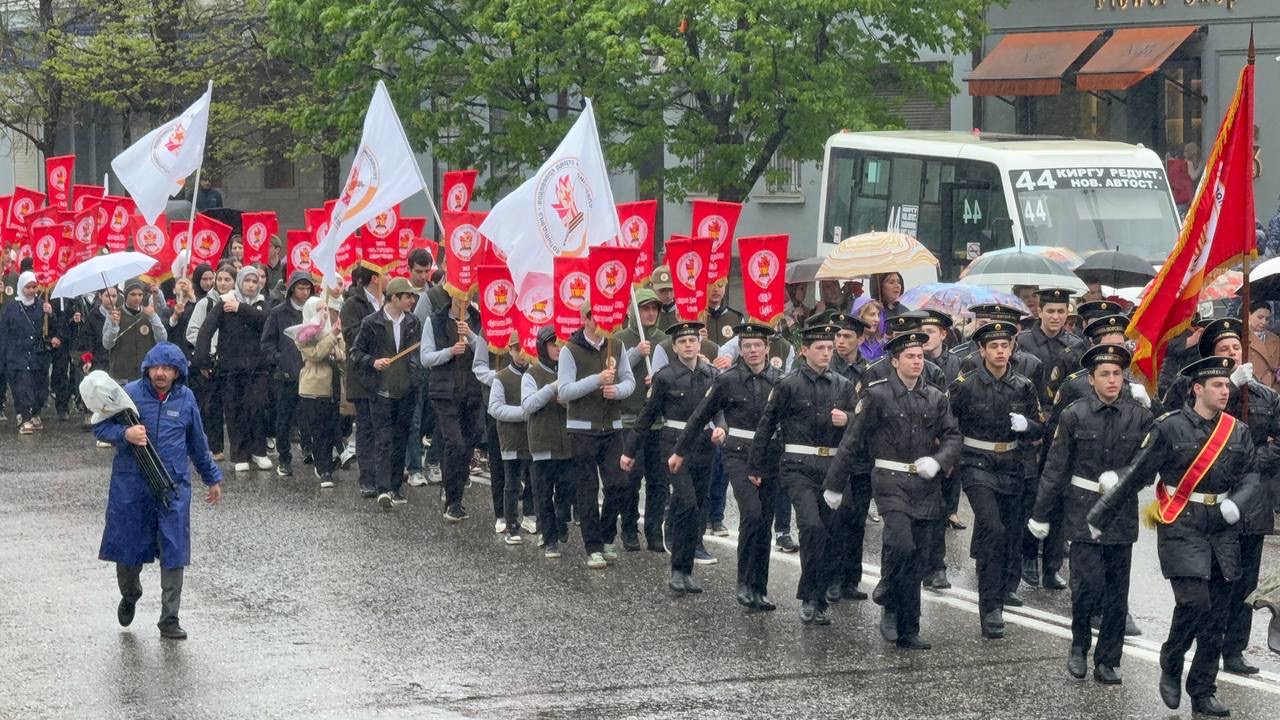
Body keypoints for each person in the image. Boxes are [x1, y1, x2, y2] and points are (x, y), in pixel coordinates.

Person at [1088, 356, 1261, 717]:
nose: (1225, 391)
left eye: (1227, 385)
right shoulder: (1170, 428)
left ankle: (1202, 689)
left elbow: (1251, 477)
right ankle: (1172, 657)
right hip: (1181, 522)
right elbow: (1139, 474)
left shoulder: (1237, 430)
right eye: (1217, 385)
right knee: (1195, 602)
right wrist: (1101, 513)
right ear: (1198, 389)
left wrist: (1238, 504)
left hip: (1222, 526)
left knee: (1217, 617)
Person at [824, 330, 961, 648]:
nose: (917, 361)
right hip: (889, 479)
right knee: (900, 542)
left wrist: (939, 461)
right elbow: (853, 439)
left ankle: (909, 626)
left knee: (918, 556)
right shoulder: (877, 395)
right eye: (910, 357)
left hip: (925, 483)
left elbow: (953, 436)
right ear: (895, 361)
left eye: (920, 356)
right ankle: (887, 597)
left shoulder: (935, 398)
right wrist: (834, 484)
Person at [1161, 317, 1280, 677]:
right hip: (1209, 506)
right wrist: (1230, 386)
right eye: (1224, 350)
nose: (1233, 354)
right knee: (1208, 586)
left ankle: (1235, 650)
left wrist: (1249, 463)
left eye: (1236, 349)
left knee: (1244, 582)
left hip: (1252, 500)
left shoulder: (1265, 395)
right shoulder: (1203, 393)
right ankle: (1200, 646)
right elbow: (1183, 421)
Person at [1029, 344, 1153, 684]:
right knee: (1086, 587)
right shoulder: (1074, 415)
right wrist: (1041, 514)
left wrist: (1123, 476)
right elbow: (1055, 468)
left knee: (1117, 592)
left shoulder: (1139, 415)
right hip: (1082, 510)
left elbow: (1148, 468)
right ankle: (1079, 645)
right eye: (1105, 374)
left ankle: (1108, 660)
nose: (1112, 380)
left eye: (1117, 374)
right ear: (1091, 378)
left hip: (1120, 511)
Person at [94, 342, 223, 640]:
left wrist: (212, 478)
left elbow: (198, 445)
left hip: (173, 486)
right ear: (147, 369)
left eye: (168, 369)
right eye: (156, 368)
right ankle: (130, 593)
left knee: (174, 550)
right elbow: (99, 427)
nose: (161, 374)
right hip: (132, 485)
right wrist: (124, 433)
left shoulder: (187, 398)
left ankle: (169, 618)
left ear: (178, 372)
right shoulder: (130, 395)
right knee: (127, 551)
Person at [749, 320, 855, 625]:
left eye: (829, 348)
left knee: (830, 533)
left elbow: (860, 425)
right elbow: (767, 425)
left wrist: (846, 418)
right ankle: (809, 598)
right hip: (797, 467)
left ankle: (818, 596)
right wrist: (756, 466)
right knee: (811, 526)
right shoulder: (788, 384)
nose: (826, 353)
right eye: (819, 348)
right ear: (804, 350)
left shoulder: (843, 385)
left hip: (832, 469)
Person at [675, 322, 783, 609]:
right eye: (746, 346)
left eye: (758, 345)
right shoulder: (727, 379)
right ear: (739, 350)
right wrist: (680, 451)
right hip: (738, 454)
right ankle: (744, 582)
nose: (752, 350)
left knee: (766, 522)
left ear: (767, 348)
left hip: (770, 456)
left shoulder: (781, 380)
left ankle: (760, 587)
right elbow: (700, 416)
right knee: (753, 513)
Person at [949, 320, 1042, 639]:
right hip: (976, 463)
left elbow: (1041, 427)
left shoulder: (1024, 386)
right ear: (982, 350)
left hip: (1012, 464)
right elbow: (950, 425)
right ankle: (990, 609)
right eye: (994, 346)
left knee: (1009, 533)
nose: (1001, 351)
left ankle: (1000, 591)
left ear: (1012, 348)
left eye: (1005, 345)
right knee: (992, 527)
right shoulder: (966, 385)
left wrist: (1027, 426)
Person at [624, 320, 718, 593]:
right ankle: (677, 569)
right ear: (675, 347)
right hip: (674, 446)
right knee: (686, 504)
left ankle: (687, 569)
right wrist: (629, 450)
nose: (688, 345)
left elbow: (717, 409)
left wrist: (721, 428)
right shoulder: (665, 377)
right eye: (682, 342)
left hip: (703, 446)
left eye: (692, 341)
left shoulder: (711, 374)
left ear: (699, 344)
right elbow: (647, 415)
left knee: (697, 508)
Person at [558, 306, 636, 569]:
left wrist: (618, 391)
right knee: (587, 489)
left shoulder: (616, 344)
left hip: (612, 427)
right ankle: (593, 547)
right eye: (594, 315)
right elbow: (566, 390)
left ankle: (606, 535)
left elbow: (629, 381)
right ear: (585, 318)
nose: (599, 320)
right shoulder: (570, 348)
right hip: (582, 428)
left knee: (619, 484)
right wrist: (596, 380)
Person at [351, 278, 422, 509]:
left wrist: (417, 378)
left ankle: (395, 486)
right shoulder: (371, 322)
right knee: (383, 439)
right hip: (380, 390)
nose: (412, 300)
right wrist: (372, 362)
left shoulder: (413, 322)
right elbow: (355, 352)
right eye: (408, 296)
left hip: (406, 389)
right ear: (394, 298)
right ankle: (382, 488)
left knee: (401, 438)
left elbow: (418, 354)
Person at [195, 266, 271, 474]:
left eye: (255, 282)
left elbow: (266, 321)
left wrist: (240, 308)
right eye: (247, 281)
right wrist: (203, 361)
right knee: (235, 410)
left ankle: (258, 451)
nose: (251, 285)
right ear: (240, 282)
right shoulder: (224, 302)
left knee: (257, 406)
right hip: (231, 367)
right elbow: (206, 330)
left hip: (258, 367)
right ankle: (239, 454)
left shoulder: (263, 303)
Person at [420, 292, 484, 520]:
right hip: (444, 392)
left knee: (467, 445)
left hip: (472, 392)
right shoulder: (435, 320)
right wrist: (450, 352)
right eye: (457, 297)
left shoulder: (478, 319)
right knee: (454, 443)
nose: (461, 301)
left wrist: (472, 337)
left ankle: (454, 493)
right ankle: (452, 499)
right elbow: (425, 358)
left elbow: (487, 353)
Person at [615, 288, 669, 551]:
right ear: (633, 311)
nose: (650, 313)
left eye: (654, 309)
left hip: (658, 422)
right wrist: (636, 353)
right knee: (631, 479)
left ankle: (654, 531)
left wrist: (660, 380)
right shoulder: (619, 339)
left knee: (659, 482)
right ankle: (628, 528)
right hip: (630, 421)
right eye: (645, 308)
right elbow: (611, 374)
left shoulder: (665, 340)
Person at [521, 326, 575, 559]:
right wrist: (553, 387)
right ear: (543, 346)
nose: (558, 348)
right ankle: (549, 538)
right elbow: (528, 405)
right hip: (543, 442)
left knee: (567, 491)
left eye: (561, 344)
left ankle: (561, 521)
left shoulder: (572, 370)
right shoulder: (531, 374)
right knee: (543, 494)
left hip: (569, 443)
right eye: (554, 344)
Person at [261, 270, 314, 477]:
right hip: (285, 375)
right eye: (301, 288)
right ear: (292, 288)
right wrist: (279, 359)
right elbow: (267, 342)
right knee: (284, 418)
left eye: (308, 288)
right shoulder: (278, 312)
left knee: (309, 416)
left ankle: (310, 449)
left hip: (310, 371)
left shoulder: (313, 310)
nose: (304, 292)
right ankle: (284, 458)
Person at [294, 294, 345, 488]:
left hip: (333, 386)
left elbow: (342, 354)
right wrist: (331, 340)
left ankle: (329, 459)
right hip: (313, 386)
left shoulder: (333, 329)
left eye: (325, 309)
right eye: (319, 309)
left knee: (332, 426)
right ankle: (323, 468)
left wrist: (333, 344)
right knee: (319, 429)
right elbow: (315, 355)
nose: (324, 313)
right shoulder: (303, 333)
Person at [185, 265, 236, 460]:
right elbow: (193, 331)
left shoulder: (238, 302)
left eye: (227, 279)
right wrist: (208, 351)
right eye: (220, 279)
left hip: (233, 360)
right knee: (211, 406)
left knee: (234, 406)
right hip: (212, 362)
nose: (223, 283)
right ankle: (215, 447)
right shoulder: (205, 304)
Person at [342, 266, 384, 496]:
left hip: (387, 376)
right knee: (366, 428)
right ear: (376, 278)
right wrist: (377, 324)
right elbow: (351, 336)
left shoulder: (387, 301)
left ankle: (385, 476)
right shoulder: (352, 304)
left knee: (384, 429)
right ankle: (367, 478)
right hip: (363, 375)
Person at [488, 335, 534, 544]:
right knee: (512, 483)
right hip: (511, 438)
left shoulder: (535, 374)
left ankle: (532, 516)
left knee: (535, 480)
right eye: (517, 349)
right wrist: (523, 412)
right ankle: (511, 524)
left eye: (524, 349)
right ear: (510, 350)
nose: (521, 354)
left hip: (534, 437)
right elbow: (495, 408)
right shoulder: (502, 377)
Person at [1, 271, 52, 433]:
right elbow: (4, 332)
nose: (32, 290)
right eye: (28, 287)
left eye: (34, 286)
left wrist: (50, 314)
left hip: (37, 354)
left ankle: (35, 413)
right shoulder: (12, 307)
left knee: (40, 387)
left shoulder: (41, 305)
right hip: (17, 354)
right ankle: (24, 417)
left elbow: (50, 329)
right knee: (22, 386)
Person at [103, 279, 167, 385]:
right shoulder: (114, 314)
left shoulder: (149, 314)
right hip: (121, 377)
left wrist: (154, 318)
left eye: (140, 294)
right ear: (125, 295)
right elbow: (107, 344)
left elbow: (162, 339)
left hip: (146, 375)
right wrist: (114, 327)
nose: (137, 298)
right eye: (133, 294)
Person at [1247, 301, 1280, 391]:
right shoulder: (1241, 337)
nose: (1264, 322)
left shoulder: (1275, 339)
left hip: (1274, 393)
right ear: (1249, 315)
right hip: (1252, 392)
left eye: (1267, 318)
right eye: (1260, 317)